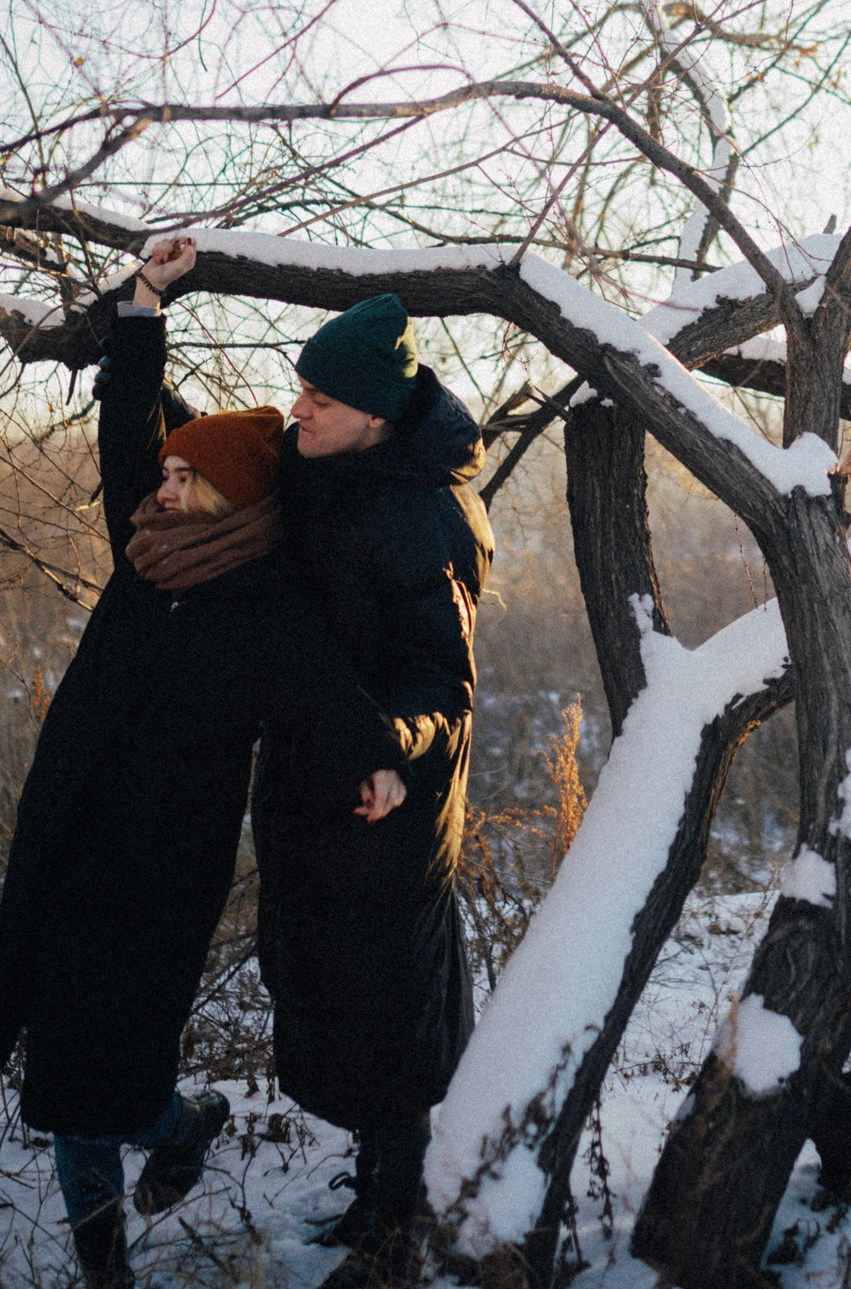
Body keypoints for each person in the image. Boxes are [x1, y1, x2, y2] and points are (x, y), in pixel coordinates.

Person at [0, 239, 280, 1289]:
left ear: (234, 501)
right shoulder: (146, 552)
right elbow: (126, 429)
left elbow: (325, 697)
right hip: (74, 837)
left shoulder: (258, 615)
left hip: (163, 870)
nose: (167, 484)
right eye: (171, 470)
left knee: (117, 1058)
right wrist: (144, 303)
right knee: (64, 1064)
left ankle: (183, 1121)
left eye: (190, 478)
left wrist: (378, 761)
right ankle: (103, 1261)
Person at [253, 293, 493, 1274]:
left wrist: (389, 748)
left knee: (388, 1001)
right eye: (299, 387)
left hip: (394, 796)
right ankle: (377, 1192)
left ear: (373, 412)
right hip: (323, 785)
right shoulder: (329, 471)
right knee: (333, 985)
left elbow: (444, 679)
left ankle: (398, 1223)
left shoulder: (424, 512)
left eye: (316, 393)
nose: (296, 407)